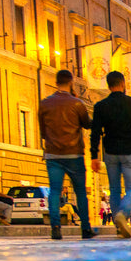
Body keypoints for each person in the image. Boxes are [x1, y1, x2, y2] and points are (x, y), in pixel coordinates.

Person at [90, 70, 131, 239]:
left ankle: (119, 228)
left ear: (108, 85)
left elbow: (95, 133)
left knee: (114, 189)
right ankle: (123, 215)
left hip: (110, 153)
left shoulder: (100, 106)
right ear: (123, 84)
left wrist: (94, 156)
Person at [39, 69, 97, 240]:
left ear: (56, 83)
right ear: (71, 83)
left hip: (53, 154)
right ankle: (85, 228)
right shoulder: (77, 104)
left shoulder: (45, 104)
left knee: (55, 192)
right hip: (74, 154)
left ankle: (55, 228)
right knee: (80, 192)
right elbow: (87, 124)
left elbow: (43, 131)